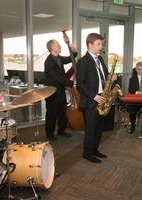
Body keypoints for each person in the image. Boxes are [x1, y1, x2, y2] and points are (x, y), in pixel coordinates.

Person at [76, 33, 117, 163]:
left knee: (99, 128)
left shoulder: (100, 59)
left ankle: (95, 149)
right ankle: (87, 153)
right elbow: (80, 84)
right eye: (98, 44)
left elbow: (104, 76)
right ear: (90, 45)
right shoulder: (83, 62)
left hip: (102, 97)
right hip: (90, 101)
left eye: (101, 44)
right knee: (91, 129)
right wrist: (95, 96)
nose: (101, 47)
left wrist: (112, 77)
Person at [44, 39, 77, 140]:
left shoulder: (58, 58)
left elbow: (69, 59)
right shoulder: (49, 62)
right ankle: (49, 134)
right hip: (52, 92)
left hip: (60, 90)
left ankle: (61, 131)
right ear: (53, 48)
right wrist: (72, 83)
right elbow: (57, 78)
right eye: (58, 45)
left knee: (62, 112)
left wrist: (74, 51)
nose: (60, 46)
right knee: (51, 114)